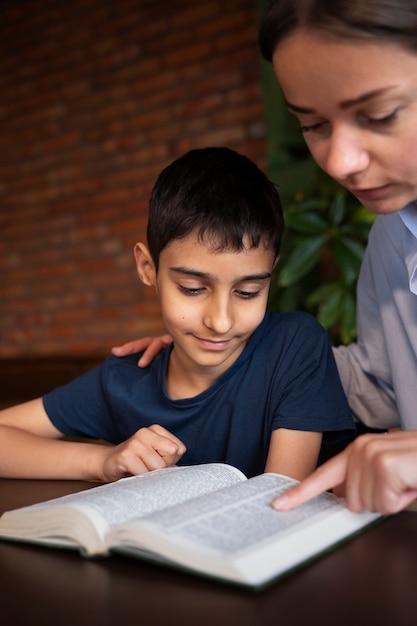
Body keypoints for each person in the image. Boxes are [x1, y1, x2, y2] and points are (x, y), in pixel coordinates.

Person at [113, 0, 417, 513]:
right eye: (313, 125)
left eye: (378, 115)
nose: (339, 162)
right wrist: (225, 350)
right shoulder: (394, 231)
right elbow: (378, 379)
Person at [0, 146, 354, 482]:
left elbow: (282, 499)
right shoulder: (126, 379)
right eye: (193, 289)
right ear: (147, 268)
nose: (220, 322)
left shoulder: (292, 347)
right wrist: (101, 461)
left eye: (248, 292)